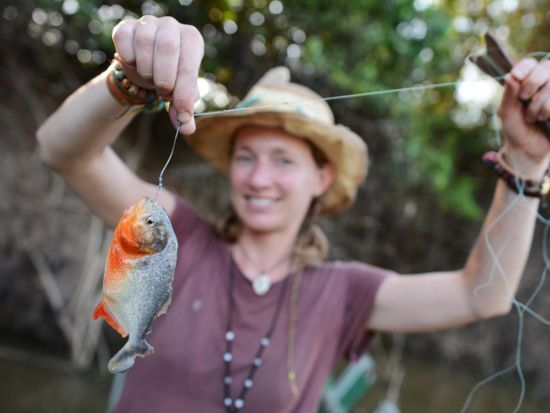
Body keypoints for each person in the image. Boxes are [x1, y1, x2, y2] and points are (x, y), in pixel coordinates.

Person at [36, 15, 550, 413]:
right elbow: (64, 152)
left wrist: (526, 164)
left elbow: (482, 294)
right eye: (246, 157)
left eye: (283, 161)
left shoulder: (344, 292)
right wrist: (126, 80)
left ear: (321, 179)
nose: (260, 178)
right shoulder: (176, 236)